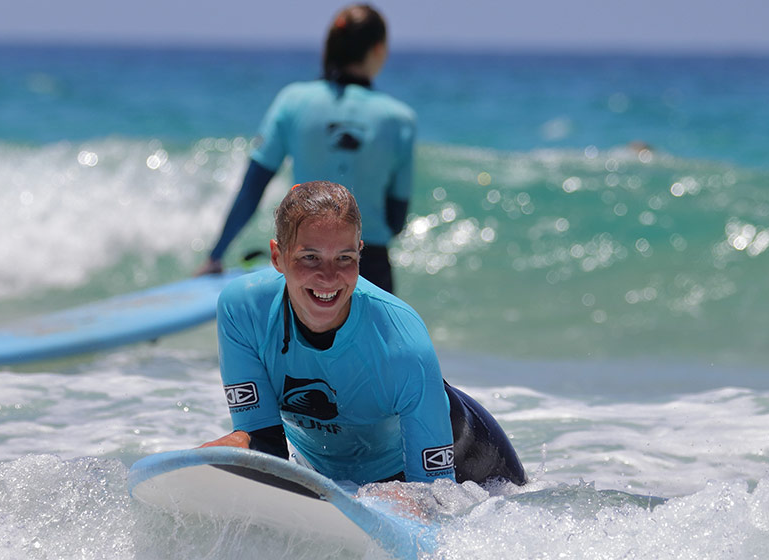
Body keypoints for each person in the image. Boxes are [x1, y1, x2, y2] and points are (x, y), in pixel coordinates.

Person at [200, 181, 526, 487]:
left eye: (344, 258)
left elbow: (434, 491)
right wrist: (224, 453)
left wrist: (411, 499)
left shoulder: (400, 338)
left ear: (360, 254)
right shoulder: (243, 311)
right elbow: (266, 443)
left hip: (469, 461)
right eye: (309, 257)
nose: (328, 277)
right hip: (341, 479)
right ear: (277, 257)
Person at [197, 4, 414, 294]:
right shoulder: (399, 120)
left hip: (302, 261)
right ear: (378, 49)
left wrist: (216, 255)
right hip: (368, 268)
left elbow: (252, 188)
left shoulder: (292, 101)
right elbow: (396, 220)